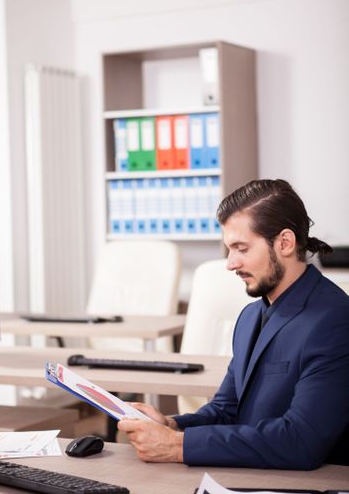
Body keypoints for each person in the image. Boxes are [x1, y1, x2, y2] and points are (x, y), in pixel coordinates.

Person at [118, 179, 349, 469]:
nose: (230, 263)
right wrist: (171, 426)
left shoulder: (334, 320)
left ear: (285, 243)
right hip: (254, 473)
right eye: (229, 249)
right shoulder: (250, 317)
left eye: (242, 248)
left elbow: (301, 441)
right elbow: (227, 410)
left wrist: (176, 447)